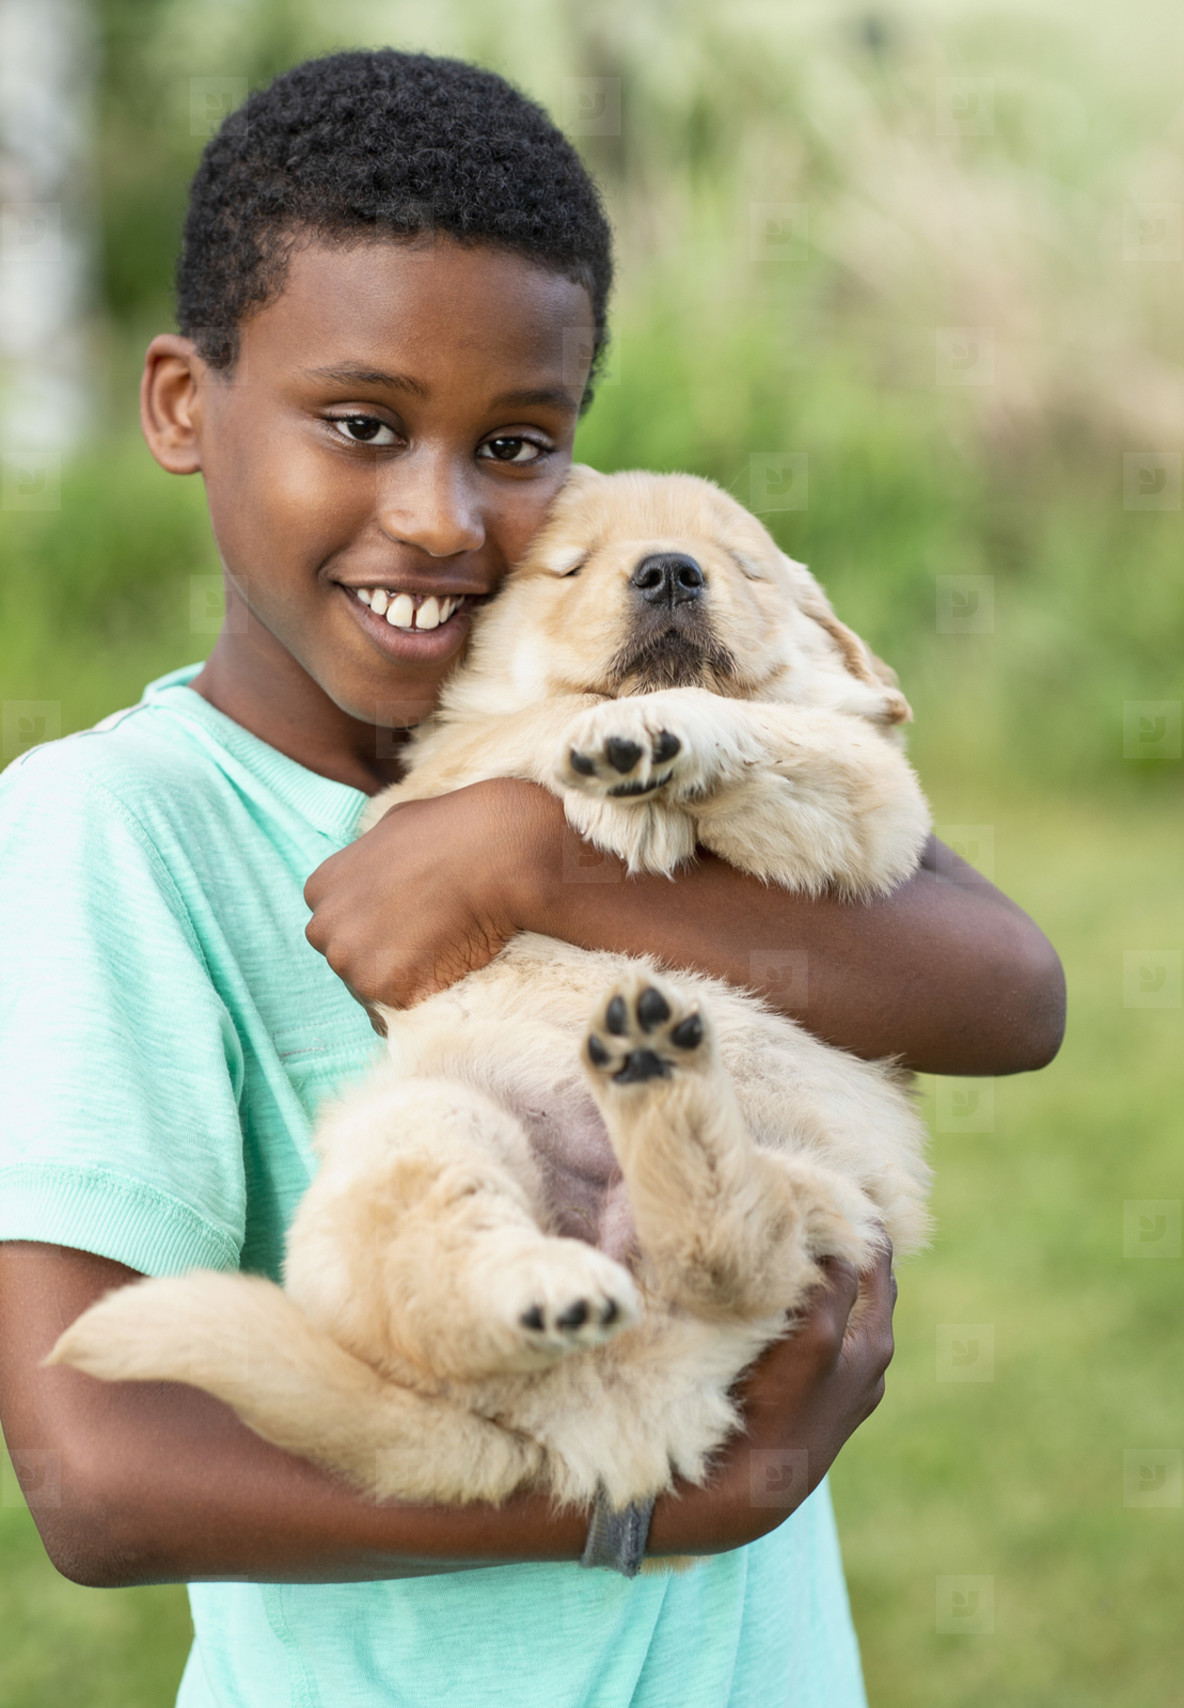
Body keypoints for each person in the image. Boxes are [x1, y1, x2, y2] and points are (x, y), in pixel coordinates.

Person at [0, 48, 1064, 1708]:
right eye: (360, 426)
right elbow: (97, 1474)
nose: (438, 518)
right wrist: (649, 1508)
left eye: (516, 444)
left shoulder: (653, 727)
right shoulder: (112, 828)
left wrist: (528, 858)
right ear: (181, 406)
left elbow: (1012, 995)